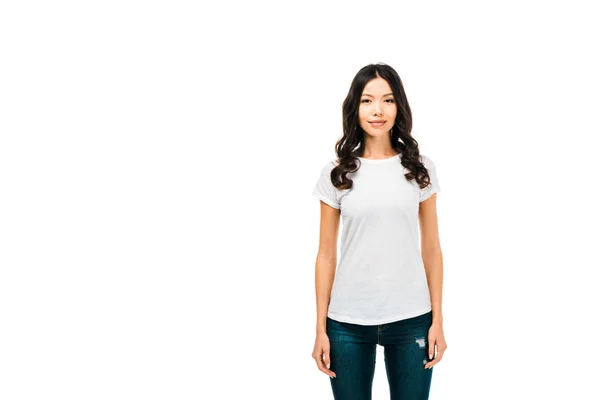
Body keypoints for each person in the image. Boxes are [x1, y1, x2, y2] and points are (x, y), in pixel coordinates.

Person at [311, 63, 447, 400]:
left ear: (398, 106)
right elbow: (326, 254)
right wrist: (320, 328)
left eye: (387, 100)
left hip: (413, 317)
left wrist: (438, 320)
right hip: (346, 322)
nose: (377, 110)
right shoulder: (337, 173)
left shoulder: (419, 168)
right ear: (354, 108)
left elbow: (432, 248)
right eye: (367, 100)